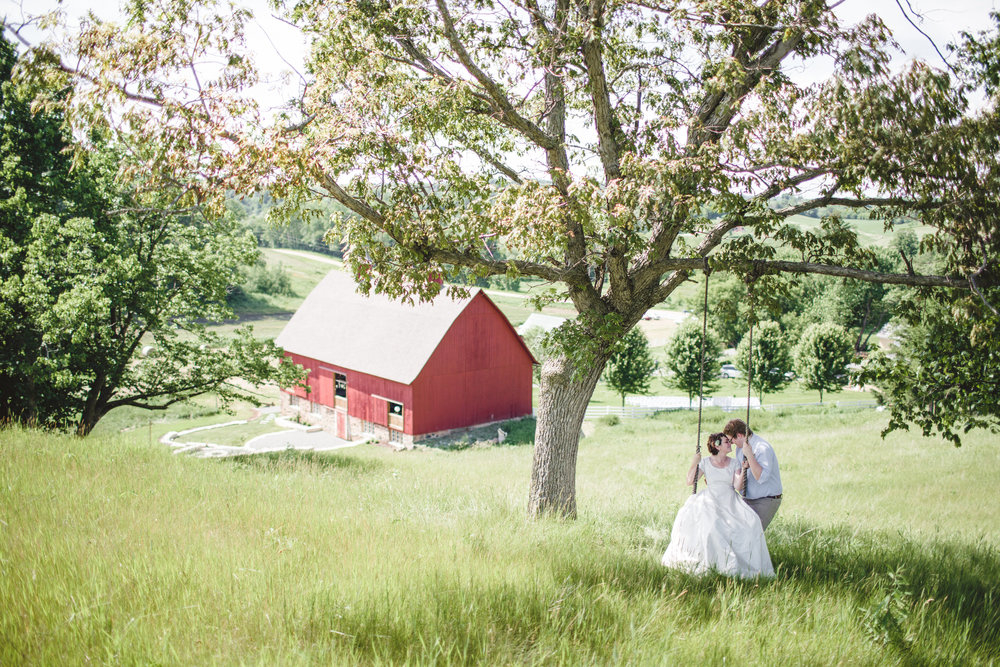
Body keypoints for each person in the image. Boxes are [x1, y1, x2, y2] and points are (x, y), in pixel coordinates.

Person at [661, 432, 774, 578]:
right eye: (726, 441)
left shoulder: (734, 463)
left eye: (729, 441)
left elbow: (737, 486)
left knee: (752, 522)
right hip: (710, 500)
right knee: (712, 526)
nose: (730, 443)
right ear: (717, 445)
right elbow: (690, 481)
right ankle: (714, 563)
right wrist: (695, 462)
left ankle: (744, 564)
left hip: (730, 500)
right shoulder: (706, 463)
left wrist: (744, 469)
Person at [724, 418, 782, 531]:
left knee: (753, 534)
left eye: (731, 440)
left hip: (766, 500)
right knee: (737, 533)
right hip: (748, 498)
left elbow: (761, 477)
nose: (732, 444)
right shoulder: (739, 449)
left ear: (740, 435)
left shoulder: (762, 448)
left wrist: (750, 455)